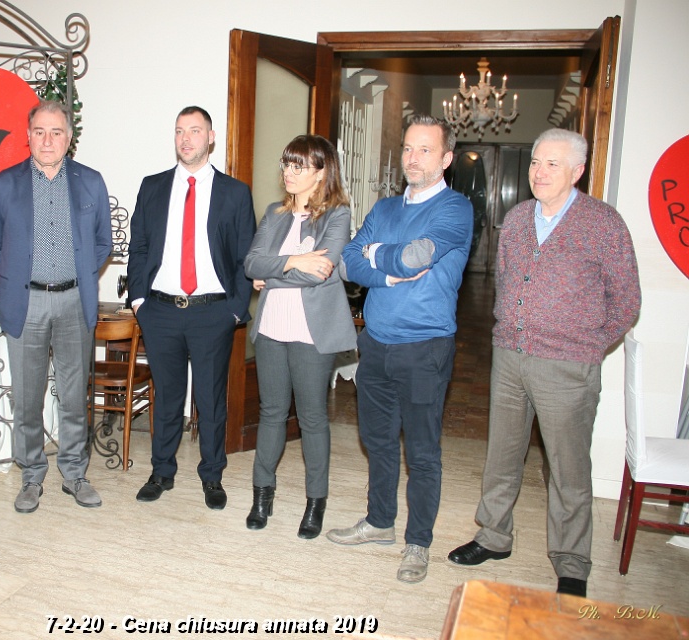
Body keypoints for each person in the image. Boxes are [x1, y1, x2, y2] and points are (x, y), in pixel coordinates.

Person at [447, 128, 640, 598]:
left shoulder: (603, 223)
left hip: (568, 367)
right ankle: (493, 536)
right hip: (510, 357)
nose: (540, 171)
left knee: (567, 469)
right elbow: (506, 280)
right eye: (536, 161)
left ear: (577, 171)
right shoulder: (517, 219)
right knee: (502, 456)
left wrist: (587, 346)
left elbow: (627, 301)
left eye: (553, 163)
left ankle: (571, 562)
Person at [327, 114, 473, 584]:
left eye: (425, 150)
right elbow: (347, 263)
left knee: (423, 453)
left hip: (425, 347)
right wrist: (386, 272)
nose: (413, 158)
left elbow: (417, 256)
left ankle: (418, 543)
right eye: (408, 148)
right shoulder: (385, 208)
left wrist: (376, 254)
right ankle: (379, 522)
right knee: (378, 441)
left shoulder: (455, 209)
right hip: (375, 343)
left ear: (446, 158)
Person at [0, 100, 112, 513]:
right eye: (39, 132)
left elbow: (103, 243)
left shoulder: (91, 182)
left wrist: (77, 275)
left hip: (74, 301)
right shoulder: (5, 184)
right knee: (27, 398)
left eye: (56, 132)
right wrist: (21, 275)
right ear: (28, 136)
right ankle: (31, 475)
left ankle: (74, 473)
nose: (48, 140)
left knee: (74, 397)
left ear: (69, 138)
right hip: (27, 302)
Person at [127, 106, 255, 510]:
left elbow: (245, 257)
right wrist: (139, 300)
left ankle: (212, 476)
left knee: (211, 401)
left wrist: (233, 310)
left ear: (211, 137)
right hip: (160, 310)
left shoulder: (235, 193)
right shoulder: (152, 187)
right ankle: (161, 471)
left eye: (195, 131)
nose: (186, 138)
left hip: (211, 312)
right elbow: (139, 246)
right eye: (180, 131)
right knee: (166, 397)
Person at [243, 134, 356, 538]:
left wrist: (271, 274)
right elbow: (250, 264)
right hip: (272, 327)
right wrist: (293, 260)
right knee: (271, 413)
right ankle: (262, 495)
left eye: (299, 165)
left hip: (312, 330)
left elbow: (319, 273)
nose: (288, 172)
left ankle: (315, 503)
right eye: (286, 164)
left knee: (312, 418)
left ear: (322, 172)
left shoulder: (337, 215)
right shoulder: (274, 214)